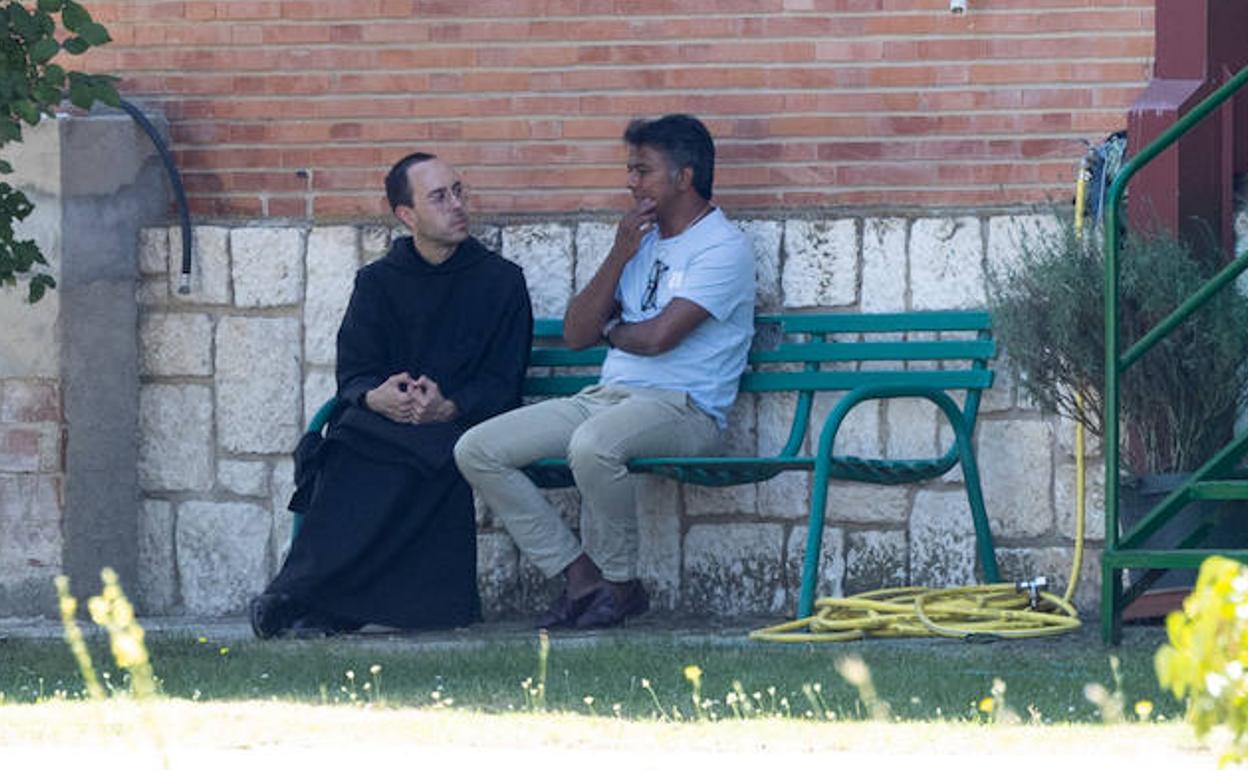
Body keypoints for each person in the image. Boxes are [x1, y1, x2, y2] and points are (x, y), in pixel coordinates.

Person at [454, 114, 755, 630]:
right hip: (608, 398)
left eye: (643, 171)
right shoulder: (637, 242)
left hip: (684, 408)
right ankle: (580, 577)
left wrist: (614, 332)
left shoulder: (723, 248)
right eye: (630, 171)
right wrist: (619, 255)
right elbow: (576, 333)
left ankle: (619, 583)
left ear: (685, 177)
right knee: (477, 450)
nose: (631, 183)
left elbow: (660, 337)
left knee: (593, 444)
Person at [250, 152, 533, 638]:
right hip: (385, 424)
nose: (457, 205)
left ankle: (305, 597)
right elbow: (355, 371)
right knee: (344, 448)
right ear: (407, 215)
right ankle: (314, 601)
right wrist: (375, 397)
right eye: (439, 197)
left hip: (463, 424)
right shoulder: (378, 283)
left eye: (459, 191)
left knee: (425, 453)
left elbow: (504, 379)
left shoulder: (501, 282)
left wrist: (450, 405)